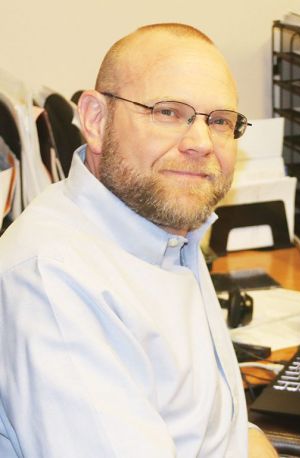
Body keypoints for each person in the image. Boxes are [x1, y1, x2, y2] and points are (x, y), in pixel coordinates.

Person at [0, 24, 277, 457]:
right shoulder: (53, 281)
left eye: (220, 121)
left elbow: (206, 428)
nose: (201, 143)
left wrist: (248, 439)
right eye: (168, 112)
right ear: (95, 120)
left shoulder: (162, 225)